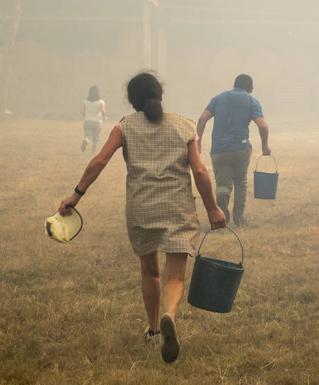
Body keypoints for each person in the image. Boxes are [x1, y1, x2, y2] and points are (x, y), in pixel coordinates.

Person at [58, 73, 226, 363]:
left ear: (133, 100)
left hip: (140, 208)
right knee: (175, 275)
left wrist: (76, 194)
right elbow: (199, 171)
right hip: (177, 208)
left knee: (150, 271)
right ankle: (169, 314)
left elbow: (99, 161)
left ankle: (153, 330)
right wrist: (212, 208)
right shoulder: (184, 125)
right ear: (160, 94)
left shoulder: (125, 127)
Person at [196, 74, 271, 226]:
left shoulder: (218, 98)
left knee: (223, 182)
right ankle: (239, 216)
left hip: (219, 150)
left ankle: (223, 198)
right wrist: (265, 145)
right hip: (241, 148)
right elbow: (263, 125)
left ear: (234, 84)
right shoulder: (251, 101)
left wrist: (198, 142)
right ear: (250, 87)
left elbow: (202, 119)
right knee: (241, 182)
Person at [81, 86, 107, 153]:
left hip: (88, 121)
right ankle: (93, 151)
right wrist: (105, 117)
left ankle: (86, 139)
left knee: (88, 135)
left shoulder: (85, 101)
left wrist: (86, 116)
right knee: (96, 137)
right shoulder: (101, 102)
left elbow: (83, 112)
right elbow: (103, 112)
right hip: (97, 122)